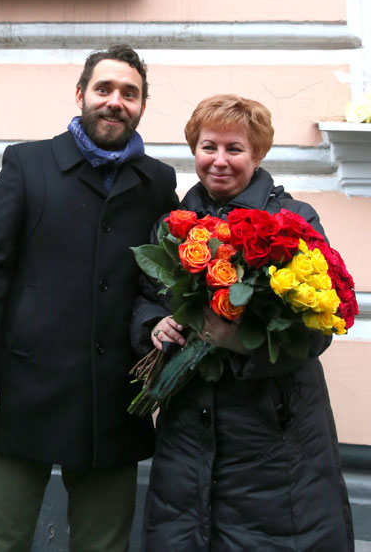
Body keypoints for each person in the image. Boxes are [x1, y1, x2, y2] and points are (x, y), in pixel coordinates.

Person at [0, 44, 179, 552]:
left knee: (104, 545)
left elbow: (162, 280)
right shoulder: (28, 164)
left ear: (142, 106)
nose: (115, 101)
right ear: (81, 95)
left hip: (114, 399)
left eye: (129, 93)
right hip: (21, 392)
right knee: (0, 542)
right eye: (104, 89)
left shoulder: (158, 182)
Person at [132, 94, 354, 552]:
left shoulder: (292, 222)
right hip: (187, 436)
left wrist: (240, 341)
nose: (219, 160)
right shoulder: (173, 225)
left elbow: (317, 329)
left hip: (274, 439)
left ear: (257, 154)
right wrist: (155, 325)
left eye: (234, 149)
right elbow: (145, 297)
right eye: (208, 147)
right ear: (194, 150)